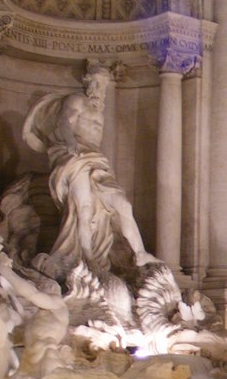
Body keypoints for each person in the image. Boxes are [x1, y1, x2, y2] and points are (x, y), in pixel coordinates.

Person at [23, 64, 157, 280]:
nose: (99, 88)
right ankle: (88, 257)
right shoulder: (76, 100)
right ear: (88, 83)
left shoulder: (99, 110)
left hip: (96, 160)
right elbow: (64, 122)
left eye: (103, 84)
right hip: (75, 156)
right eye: (96, 83)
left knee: (123, 204)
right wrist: (70, 142)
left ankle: (140, 252)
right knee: (83, 208)